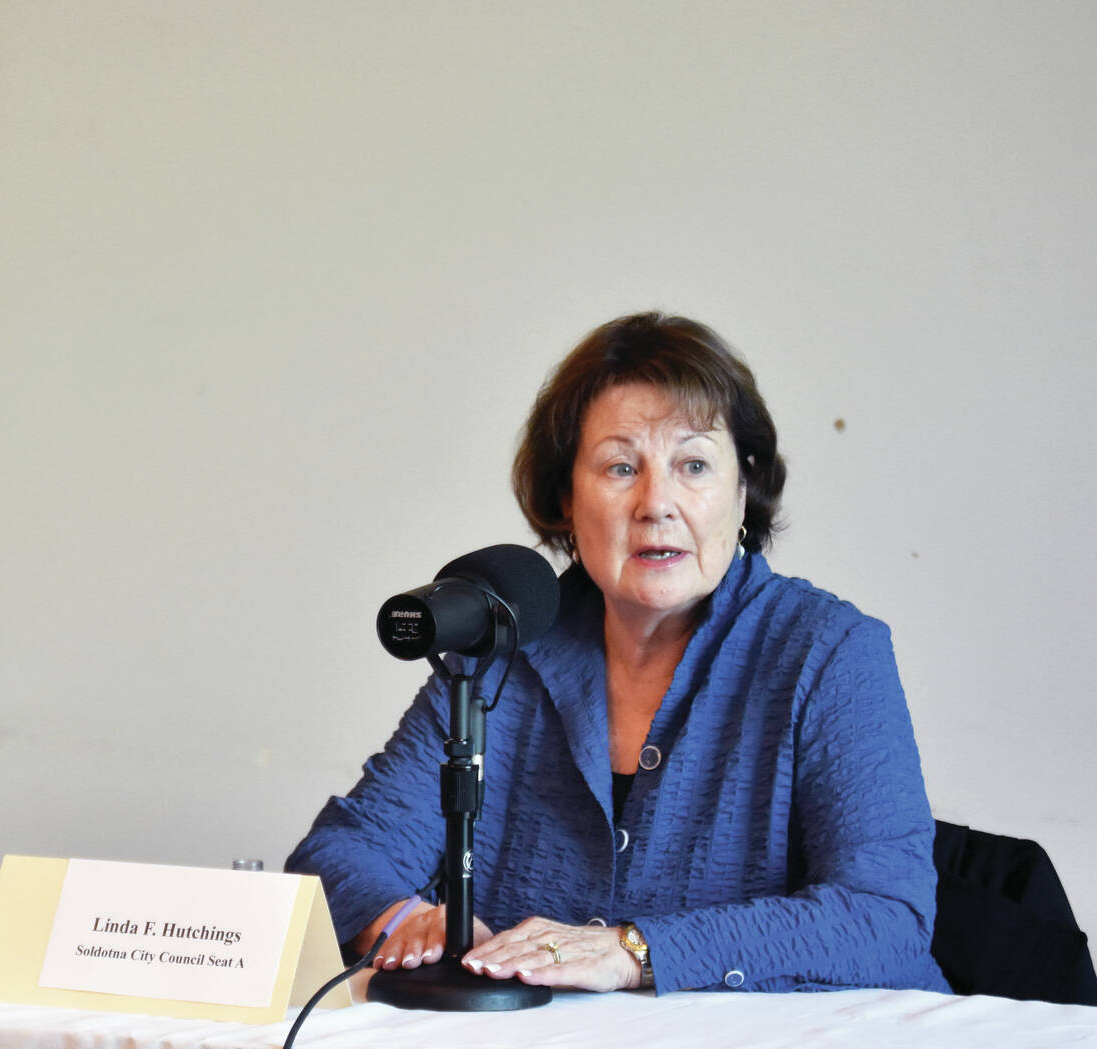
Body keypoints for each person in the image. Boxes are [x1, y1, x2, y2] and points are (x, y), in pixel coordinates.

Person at [286, 312, 947, 994]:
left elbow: (884, 918)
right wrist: (406, 918)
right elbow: (337, 854)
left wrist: (635, 949)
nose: (656, 502)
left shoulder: (830, 653)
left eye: (693, 465)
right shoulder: (504, 652)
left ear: (744, 489)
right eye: (620, 466)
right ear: (565, 499)